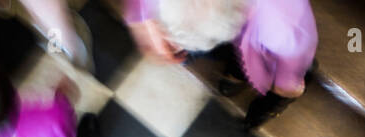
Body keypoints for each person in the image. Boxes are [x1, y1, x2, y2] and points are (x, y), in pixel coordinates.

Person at [124, 0, 316, 129]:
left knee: (275, 72)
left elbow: (290, 84)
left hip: (265, 40)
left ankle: (246, 74)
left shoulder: (285, 32)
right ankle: (238, 67)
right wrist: (142, 18)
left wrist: (284, 87)